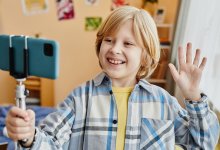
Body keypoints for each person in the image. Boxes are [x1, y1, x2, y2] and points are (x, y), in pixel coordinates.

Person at [5, 6, 219, 150]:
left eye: (128, 44)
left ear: (146, 56)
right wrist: (29, 136)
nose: (115, 49)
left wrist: (193, 96)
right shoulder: (80, 99)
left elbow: (203, 144)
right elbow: (50, 142)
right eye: (109, 40)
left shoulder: (164, 102)